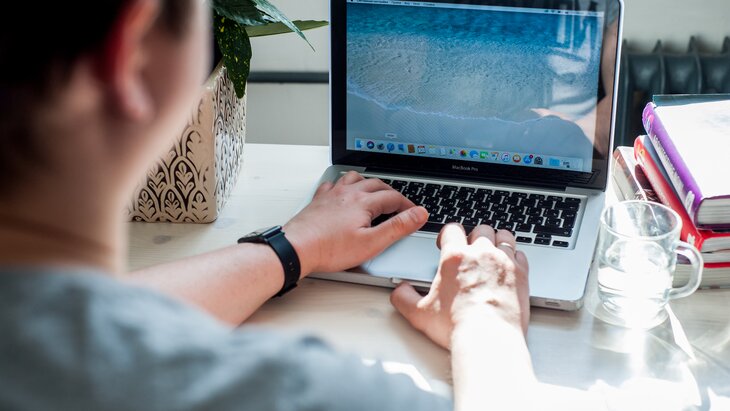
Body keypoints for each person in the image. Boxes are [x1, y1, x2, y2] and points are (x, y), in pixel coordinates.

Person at [0, 1, 534, 410]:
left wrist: (292, 245)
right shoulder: (301, 394)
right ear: (129, 50)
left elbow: (84, 315)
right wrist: (488, 327)